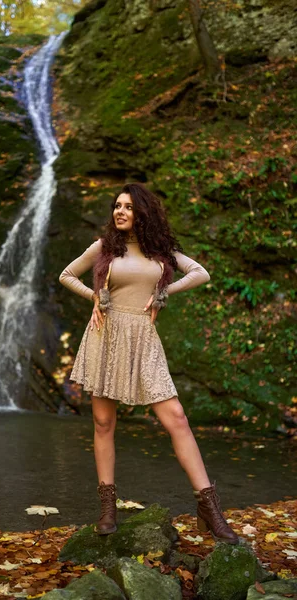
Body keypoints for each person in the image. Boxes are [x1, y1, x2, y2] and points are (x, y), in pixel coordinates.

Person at [59, 182, 239, 545]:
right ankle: (108, 508)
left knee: (176, 417)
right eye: (117, 206)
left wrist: (162, 294)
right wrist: (95, 296)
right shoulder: (105, 248)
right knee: (103, 421)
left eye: (128, 206)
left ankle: (210, 508)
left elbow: (200, 273)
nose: (120, 211)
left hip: (143, 338)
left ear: (143, 212)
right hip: (105, 336)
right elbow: (66, 275)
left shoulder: (162, 252)